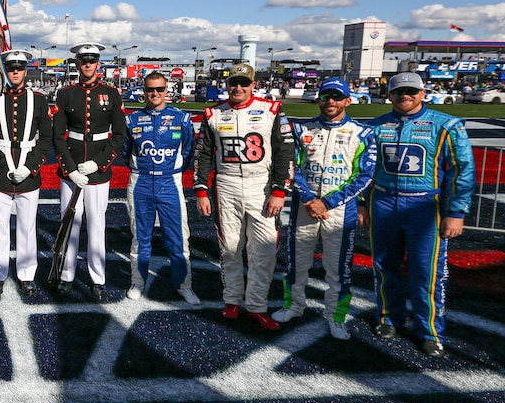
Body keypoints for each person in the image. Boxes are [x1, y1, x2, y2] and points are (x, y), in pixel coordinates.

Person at [360, 72, 475, 357]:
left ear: (423, 93)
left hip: (425, 207)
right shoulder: (376, 126)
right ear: (389, 95)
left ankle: (430, 331)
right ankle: (389, 318)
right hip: (384, 203)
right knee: (384, 266)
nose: (405, 96)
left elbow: (462, 170)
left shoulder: (446, 125)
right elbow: (363, 169)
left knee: (426, 272)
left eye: (411, 91)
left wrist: (456, 211)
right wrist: (363, 202)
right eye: (399, 92)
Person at [271, 78, 376, 340]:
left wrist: (326, 202)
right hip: (304, 207)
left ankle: (336, 316)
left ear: (348, 101)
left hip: (340, 211)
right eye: (326, 96)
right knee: (297, 263)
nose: (331, 101)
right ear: (318, 99)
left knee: (338, 268)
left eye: (337, 97)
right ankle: (294, 306)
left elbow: (364, 176)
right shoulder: (302, 130)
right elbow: (291, 167)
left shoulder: (362, 133)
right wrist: (309, 199)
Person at [193, 62, 295, 330]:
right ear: (227, 85)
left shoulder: (271, 110)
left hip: (260, 185)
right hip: (225, 185)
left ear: (253, 85)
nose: (237, 87)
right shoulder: (213, 113)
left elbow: (285, 152)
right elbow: (202, 153)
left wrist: (279, 190)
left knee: (262, 251)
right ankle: (232, 302)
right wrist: (201, 189)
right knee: (229, 248)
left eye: (243, 83)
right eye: (233, 83)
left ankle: (257, 306)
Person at [51, 43, 127, 301]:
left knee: (97, 225)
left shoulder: (111, 93)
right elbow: (58, 136)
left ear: (98, 64)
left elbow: (119, 135)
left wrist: (99, 163)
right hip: (71, 169)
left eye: (92, 61)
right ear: (76, 64)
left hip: (98, 169)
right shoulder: (65, 94)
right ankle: (66, 275)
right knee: (70, 224)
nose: (87, 65)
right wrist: (70, 169)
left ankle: (97, 278)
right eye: (83, 61)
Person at [0, 49, 53, 296]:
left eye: (20, 68)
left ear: (26, 70)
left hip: (28, 173)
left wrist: (31, 167)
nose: (16, 72)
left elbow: (45, 140)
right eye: (11, 68)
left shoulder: (39, 100)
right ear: (5, 71)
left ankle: (26, 273)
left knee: (27, 227)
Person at [124, 72, 199, 304]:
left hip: (170, 183)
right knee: (140, 238)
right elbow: (126, 152)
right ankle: (138, 281)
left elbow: (187, 151)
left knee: (178, 238)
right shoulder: (133, 119)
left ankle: (184, 285)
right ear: (143, 91)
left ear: (167, 90)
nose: (154, 93)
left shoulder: (182, 118)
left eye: (159, 89)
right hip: (141, 183)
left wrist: (172, 170)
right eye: (150, 90)